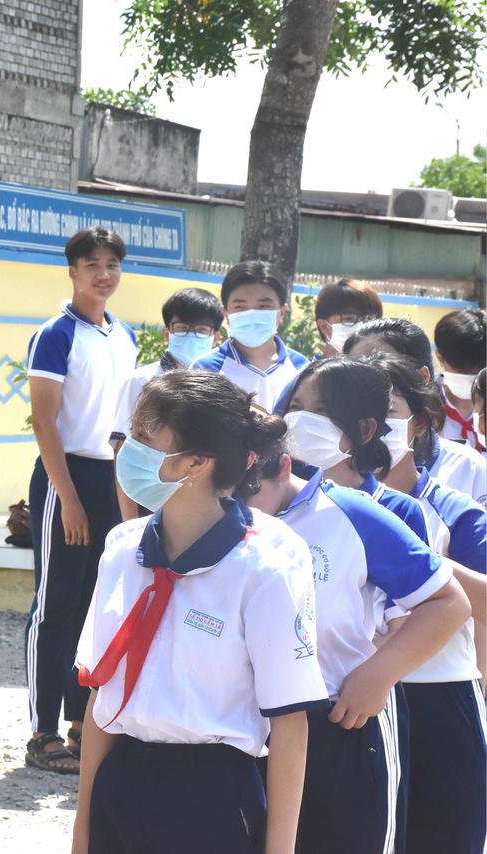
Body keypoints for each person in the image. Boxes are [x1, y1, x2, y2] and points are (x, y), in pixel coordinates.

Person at [70, 370, 327, 854]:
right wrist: (82, 832)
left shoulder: (262, 569)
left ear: (195, 463)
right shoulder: (122, 550)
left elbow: (291, 723)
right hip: (121, 780)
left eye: (145, 439)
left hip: (213, 796)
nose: (127, 450)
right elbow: (102, 699)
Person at [260, 355, 470, 854]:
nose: (301, 419)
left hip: (344, 715)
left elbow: (429, 609)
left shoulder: (386, 510)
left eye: (321, 409)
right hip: (263, 718)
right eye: (296, 405)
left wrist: (375, 676)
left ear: (365, 427)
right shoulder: (257, 498)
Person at [24, 227, 137, 773]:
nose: (103, 274)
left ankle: (78, 724)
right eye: (92, 264)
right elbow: (44, 421)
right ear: (72, 270)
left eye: (112, 264)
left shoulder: (125, 336)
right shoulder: (55, 334)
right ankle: (40, 731)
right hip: (63, 478)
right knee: (56, 606)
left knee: (97, 606)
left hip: (111, 479)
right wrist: (66, 497)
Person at [368, 352, 487, 854]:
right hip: (355, 704)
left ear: (417, 423)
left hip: (438, 700)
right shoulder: (313, 506)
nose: (372, 425)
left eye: (388, 411)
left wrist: (412, 558)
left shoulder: (457, 513)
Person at [344, 318, 487, 505]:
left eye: (384, 365)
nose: (368, 380)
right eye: (357, 370)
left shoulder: (469, 470)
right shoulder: (335, 471)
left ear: (422, 377)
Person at [109, 286, 223, 521]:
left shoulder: (222, 385)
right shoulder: (140, 382)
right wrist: (131, 524)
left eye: (201, 330)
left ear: (216, 337)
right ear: (166, 332)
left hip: (206, 511)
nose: (191, 336)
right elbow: (123, 455)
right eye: (182, 328)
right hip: (149, 508)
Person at [191, 260, 309, 412]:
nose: (252, 314)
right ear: (226, 314)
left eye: (264, 306)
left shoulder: (302, 369)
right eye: (240, 307)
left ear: (281, 313)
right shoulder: (204, 369)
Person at [433, 308, 487, 452]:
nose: (471, 379)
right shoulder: (423, 409)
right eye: (462, 371)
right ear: (439, 358)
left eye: (477, 372)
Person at [313, 278, 383, 357]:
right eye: (349, 319)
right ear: (324, 327)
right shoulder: (306, 369)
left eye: (369, 319)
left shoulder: (387, 368)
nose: (362, 326)